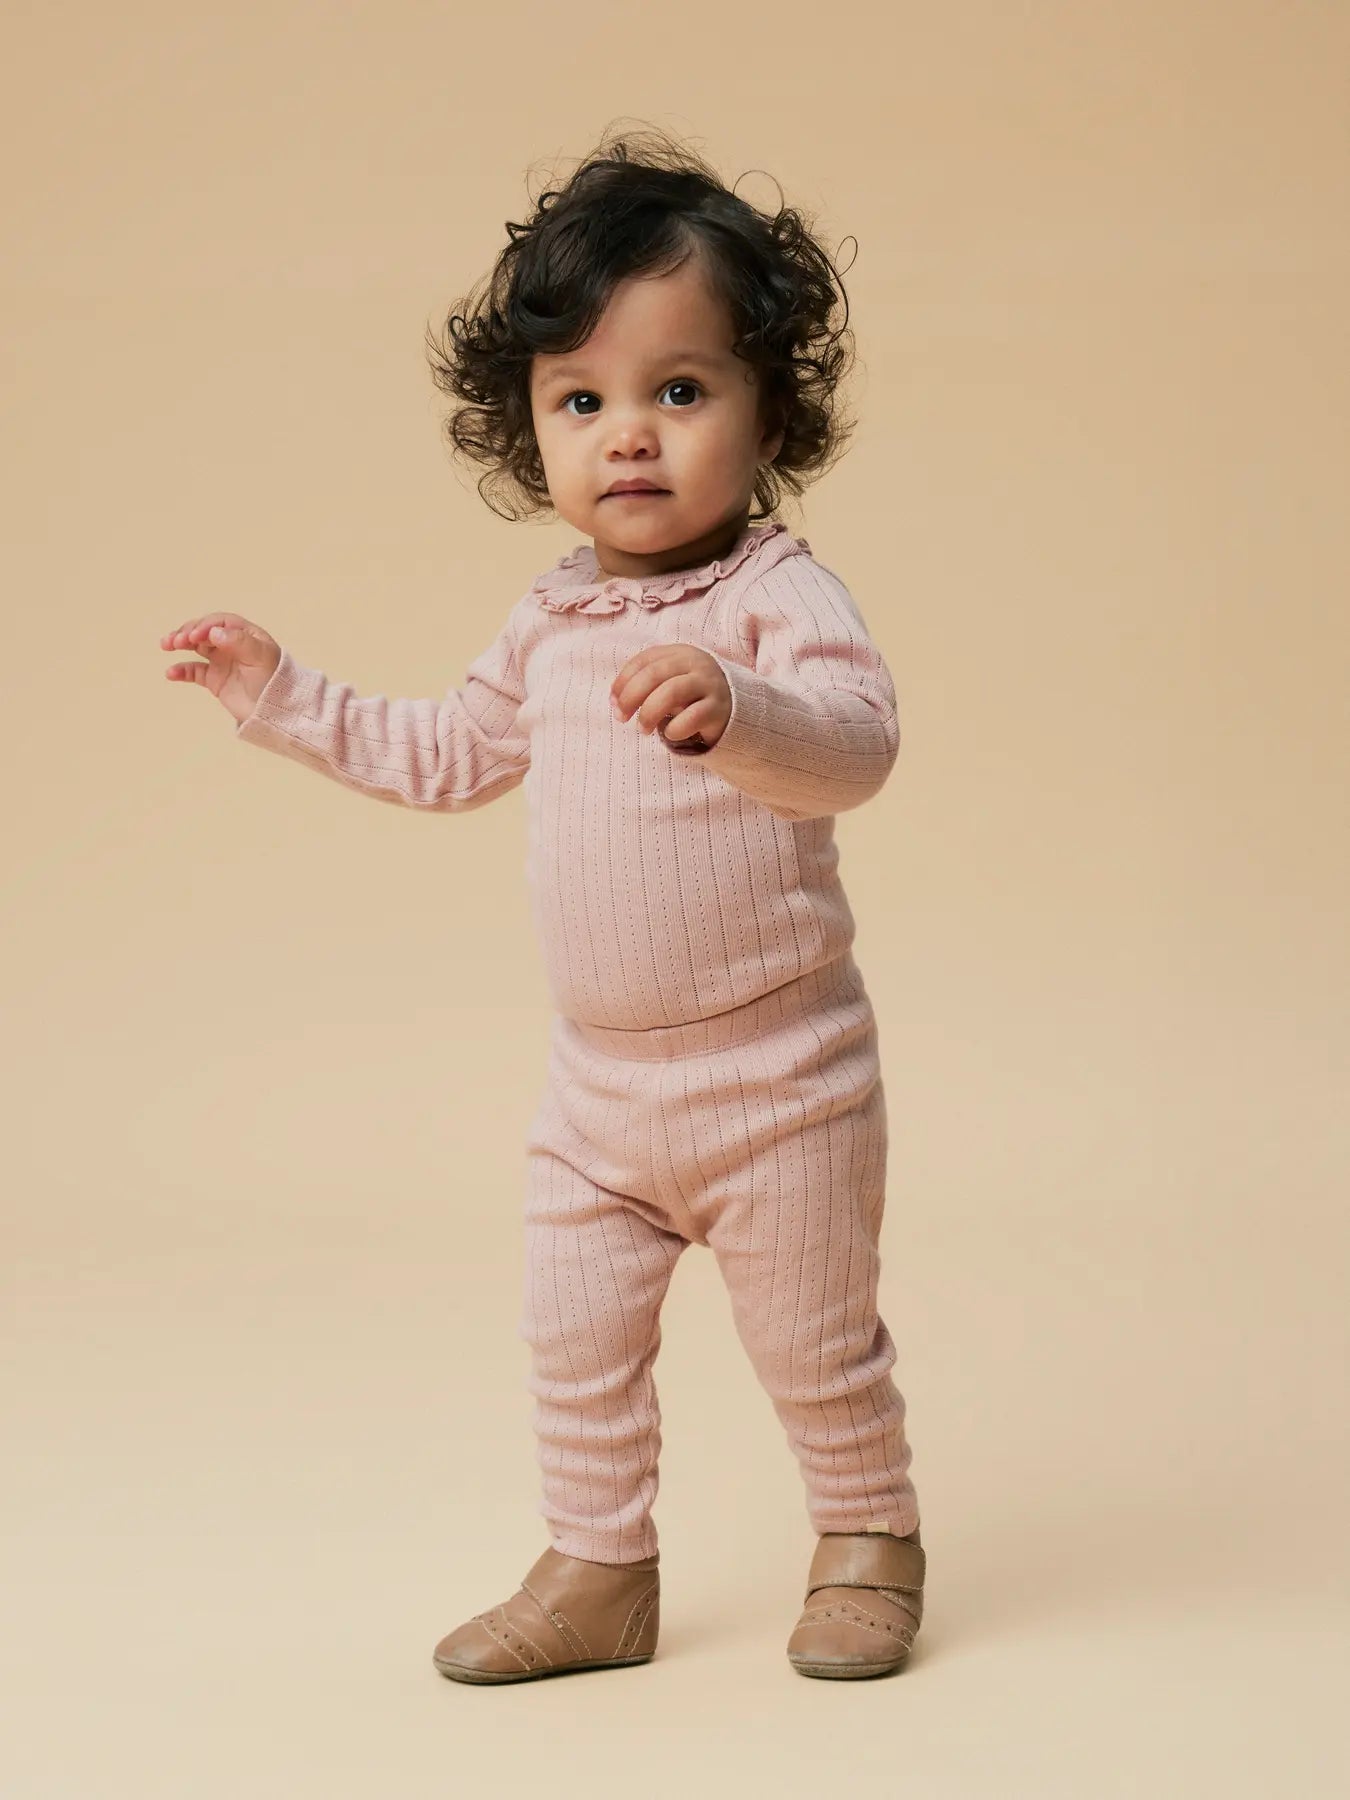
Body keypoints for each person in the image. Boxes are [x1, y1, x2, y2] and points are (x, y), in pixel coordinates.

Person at [159, 125, 925, 1682]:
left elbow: (856, 753)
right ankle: (597, 1568)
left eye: (679, 392)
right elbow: (446, 753)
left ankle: (866, 1537)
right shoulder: (554, 619)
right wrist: (279, 694)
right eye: (581, 402)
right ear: (527, 430)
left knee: (812, 1343)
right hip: (598, 1096)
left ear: (770, 410)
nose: (626, 437)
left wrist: (738, 708)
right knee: (574, 1344)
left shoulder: (774, 598)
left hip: (779, 1084)